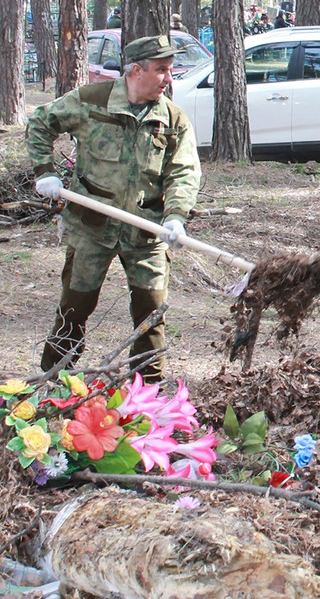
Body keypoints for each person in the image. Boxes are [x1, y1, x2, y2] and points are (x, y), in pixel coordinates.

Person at [27, 35, 202, 382]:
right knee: (75, 306)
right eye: (162, 70)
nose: (169, 78)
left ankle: (147, 392)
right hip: (91, 226)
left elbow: (184, 171)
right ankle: (55, 380)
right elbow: (40, 123)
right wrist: (44, 173)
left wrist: (177, 216)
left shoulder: (173, 119)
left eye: (170, 69)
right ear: (136, 70)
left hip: (147, 231)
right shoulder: (91, 101)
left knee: (151, 313)